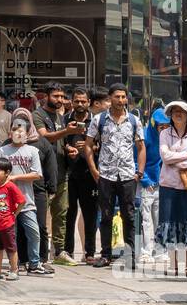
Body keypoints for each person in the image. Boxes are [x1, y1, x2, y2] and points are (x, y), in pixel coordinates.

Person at [86, 83, 145, 269]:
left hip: (128, 175)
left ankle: (130, 255)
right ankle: (105, 254)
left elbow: (141, 147)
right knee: (105, 216)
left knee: (128, 216)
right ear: (110, 98)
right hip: (106, 175)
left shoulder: (134, 120)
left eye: (123, 97)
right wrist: (94, 170)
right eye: (117, 96)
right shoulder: (99, 119)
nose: (121, 100)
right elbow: (88, 145)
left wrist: (139, 172)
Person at [0, 109, 52, 276]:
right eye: (14, 129)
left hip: (27, 201)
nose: (17, 132)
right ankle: (15, 265)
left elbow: (37, 174)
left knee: (34, 233)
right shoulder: (3, 150)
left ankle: (35, 263)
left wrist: (15, 177)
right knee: (11, 235)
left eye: (21, 129)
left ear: (27, 131)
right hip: (7, 202)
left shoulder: (33, 151)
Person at [32, 82, 76, 264]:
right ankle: (38, 253)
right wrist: (67, 130)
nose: (60, 100)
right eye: (56, 96)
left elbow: (60, 141)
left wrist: (69, 149)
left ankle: (59, 251)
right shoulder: (37, 115)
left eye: (62, 96)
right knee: (40, 217)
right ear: (46, 96)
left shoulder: (60, 116)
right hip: (42, 174)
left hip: (61, 171)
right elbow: (45, 136)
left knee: (61, 213)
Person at [158, 100, 187, 278]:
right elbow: (166, 156)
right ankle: (173, 263)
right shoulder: (165, 133)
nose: (178, 114)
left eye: (181, 111)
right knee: (169, 224)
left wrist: (179, 160)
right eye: (174, 111)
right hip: (168, 185)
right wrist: (186, 156)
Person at [64, 86, 105, 262]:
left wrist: (92, 147)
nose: (80, 104)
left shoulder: (97, 122)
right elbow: (60, 142)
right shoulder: (65, 120)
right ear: (71, 102)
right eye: (76, 101)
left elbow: (104, 145)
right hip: (69, 174)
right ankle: (67, 252)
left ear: (89, 102)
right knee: (69, 214)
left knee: (90, 215)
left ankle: (89, 253)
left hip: (90, 174)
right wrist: (69, 148)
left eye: (83, 101)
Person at [0, 157, 24, 280]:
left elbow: (22, 201)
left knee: (11, 249)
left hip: (7, 224)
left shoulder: (10, 186)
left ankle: (14, 270)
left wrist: (15, 214)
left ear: (7, 173)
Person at [138, 106, 168, 263]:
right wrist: (144, 179)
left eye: (166, 126)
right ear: (153, 124)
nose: (163, 129)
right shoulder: (144, 135)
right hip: (147, 183)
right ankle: (146, 250)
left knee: (160, 218)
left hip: (163, 182)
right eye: (161, 126)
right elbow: (136, 158)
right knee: (146, 218)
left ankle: (160, 249)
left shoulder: (169, 137)